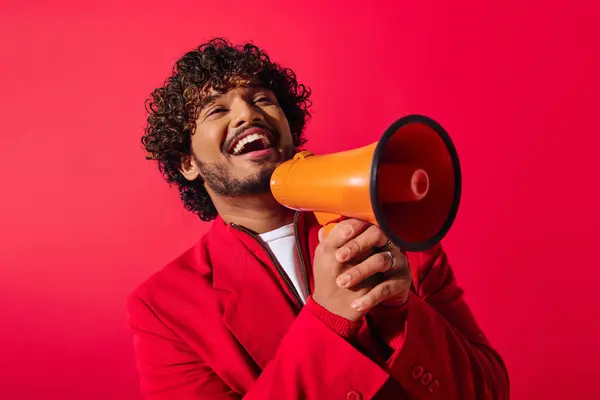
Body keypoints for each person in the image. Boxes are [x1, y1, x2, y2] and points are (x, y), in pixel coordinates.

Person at [127, 37, 509, 399]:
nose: (248, 113)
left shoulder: (399, 235)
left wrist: (401, 310)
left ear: (289, 131)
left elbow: (489, 391)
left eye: (262, 98)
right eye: (217, 109)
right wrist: (329, 319)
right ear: (188, 163)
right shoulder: (163, 308)